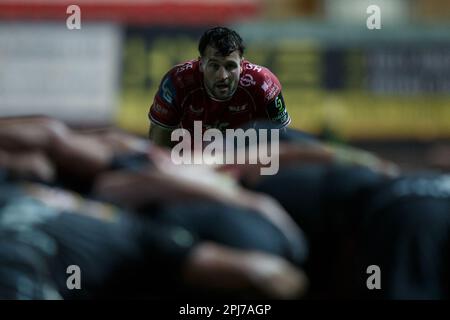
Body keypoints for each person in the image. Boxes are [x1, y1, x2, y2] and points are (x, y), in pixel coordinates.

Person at [148, 26, 291, 147]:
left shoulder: (264, 84)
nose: (223, 76)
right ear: (201, 64)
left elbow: (283, 144)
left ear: (241, 65)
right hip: (189, 163)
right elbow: (158, 144)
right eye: (214, 66)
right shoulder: (177, 82)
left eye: (230, 66)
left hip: (244, 161)